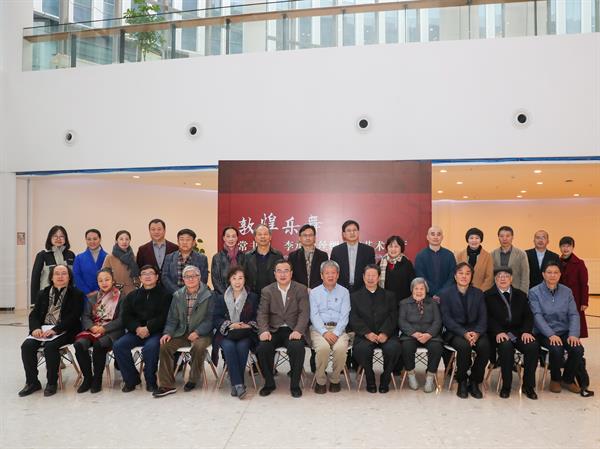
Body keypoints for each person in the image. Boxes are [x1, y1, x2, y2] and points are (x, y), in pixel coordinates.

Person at [19, 265, 84, 397]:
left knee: (50, 346)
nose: (60, 276)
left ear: (69, 277)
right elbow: (34, 314)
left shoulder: (77, 294)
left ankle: (52, 382)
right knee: (27, 346)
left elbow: (74, 316)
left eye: (64, 273)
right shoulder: (43, 293)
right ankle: (32, 382)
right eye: (57, 273)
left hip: (66, 330)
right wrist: (35, 328)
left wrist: (55, 330)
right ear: (51, 277)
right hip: (43, 329)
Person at [153, 265, 214, 397]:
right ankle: (166, 385)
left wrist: (198, 332)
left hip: (203, 333)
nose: (190, 279)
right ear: (183, 279)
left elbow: (210, 319)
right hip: (182, 332)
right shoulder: (178, 295)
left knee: (198, 347)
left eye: (193, 276)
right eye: (187, 276)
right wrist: (167, 333)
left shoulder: (209, 295)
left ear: (199, 277)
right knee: (165, 346)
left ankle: (193, 379)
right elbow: (172, 318)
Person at [113, 265, 172, 393]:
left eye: (151, 273)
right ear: (140, 278)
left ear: (157, 277)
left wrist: (148, 328)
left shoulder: (166, 295)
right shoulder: (132, 295)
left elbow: (164, 316)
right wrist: (137, 328)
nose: (147, 276)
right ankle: (131, 380)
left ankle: (151, 381)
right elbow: (126, 316)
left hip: (156, 332)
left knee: (150, 348)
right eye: (144, 274)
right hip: (136, 332)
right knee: (119, 346)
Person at [256, 259, 310, 398]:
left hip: (293, 329)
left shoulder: (301, 289)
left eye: (286, 271)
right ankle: (269, 383)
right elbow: (262, 314)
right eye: (279, 271)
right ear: (274, 274)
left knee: (297, 347)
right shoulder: (267, 291)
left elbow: (304, 313)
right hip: (273, 330)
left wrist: (298, 330)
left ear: (291, 273)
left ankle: (295, 385)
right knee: (262, 348)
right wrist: (264, 330)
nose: (282, 274)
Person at [529, 261, 584, 394]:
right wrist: (550, 334)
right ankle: (555, 379)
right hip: (543, 332)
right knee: (556, 348)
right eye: (549, 272)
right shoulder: (534, 292)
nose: (552, 275)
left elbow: (573, 314)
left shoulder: (567, 291)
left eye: (556, 272)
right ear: (543, 274)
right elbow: (537, 316)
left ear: (560, 275)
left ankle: (568, 379)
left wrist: (573, 334)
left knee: (577, 349)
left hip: (564, 331)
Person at [484, 267, 539, 400]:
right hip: (498, 333)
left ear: (511, 279)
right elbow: (487, 317)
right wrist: (498, 332)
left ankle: (528, 386)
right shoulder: (487, 295)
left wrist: (526, 331)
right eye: (499, 276)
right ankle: (506, 386)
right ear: (495, 279)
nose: (503, 279)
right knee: (506, 346)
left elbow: (528, 316)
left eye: (506, 276)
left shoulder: (520, 295)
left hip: (518, 332)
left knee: (532, 346)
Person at [440, 262, 489, 399]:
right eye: (460, 273)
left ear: (471, 276)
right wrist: (464, 333)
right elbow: (447, 319)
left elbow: (483, 317)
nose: (464, 276)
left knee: (485, 346)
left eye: (468, 273)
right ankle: (461, 381)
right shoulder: (446, 294)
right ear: (455, 276)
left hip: (476, 331)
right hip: (455, 332)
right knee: (464, 347)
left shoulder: (478, 293)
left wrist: (477, 333)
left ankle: (474, 381)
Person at [349, 264, 401, 393]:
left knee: (393, 348)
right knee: (363, 349)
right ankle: (369, 376)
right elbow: (353, 318)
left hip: (387, 334)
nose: (370, 278)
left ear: (378, 278)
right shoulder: (355, 296)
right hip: (364, 335)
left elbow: (393, 316)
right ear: (363, 277)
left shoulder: (389, 295)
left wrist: (385, 333)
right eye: (368, 275)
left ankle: (386, 377)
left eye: (374, 275)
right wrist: (367, 333)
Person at [73, 268, 123, 393]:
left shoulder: (121, 297)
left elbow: (122, 319)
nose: (104, 283)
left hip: (112, 331)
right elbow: (85, 316)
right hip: (94, 329)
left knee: (99, 344)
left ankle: (97, 379)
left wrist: (104, 328)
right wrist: (91, 327)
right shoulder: (92, 297)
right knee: (79, 345)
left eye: (107, 279)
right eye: (100, 280)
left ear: (113, 280)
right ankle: (87, 378)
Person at [212, 267, 259, 399]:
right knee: (229, 347)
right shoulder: (221, 298)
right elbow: (216, 318)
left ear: (245, 280)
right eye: (234, 278)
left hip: (245, 333)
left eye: (240, 278)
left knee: (242, 346)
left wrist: (247, 325)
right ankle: (239, 384)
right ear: (229, 280)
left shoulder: (252, 297)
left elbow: (257, 316)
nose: (237, 282)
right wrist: (230, 324)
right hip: (227, 333)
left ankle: (236, 385)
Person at [309, 260, 351, 394]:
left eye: (333, 273)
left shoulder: (344, 292)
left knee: (340, 349)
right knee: (323, 348)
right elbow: (314, 315)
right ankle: (320, 381)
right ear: (322, 275)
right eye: (327, 273)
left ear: (338, 275)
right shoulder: (314, 292)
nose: (330, 276)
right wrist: (324, 332)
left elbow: (345, 315)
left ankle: (335, 379)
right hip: (319, 329)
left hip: (339, 329)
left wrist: (336, 332)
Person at [398, 277, 443, 393]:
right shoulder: (404, 303)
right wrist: (414, 333)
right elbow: (402, 321)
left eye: (422, 288)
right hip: (411, 335)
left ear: (426, 290)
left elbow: (438, 321)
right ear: (412, 290)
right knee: (406, 347)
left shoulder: (433, 303)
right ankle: (411, 375)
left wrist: (428, 334)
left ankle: (430, 377)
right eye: (416, 288)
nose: (419, 291)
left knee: (437, 347)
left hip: (430, 335)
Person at [31, 225, 75, 305]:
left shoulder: (71, 255)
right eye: (55, 236)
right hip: (47, 297)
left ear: (65, 238)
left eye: (61, 236)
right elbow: (35, 279)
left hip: (67, 296)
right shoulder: (42, 255)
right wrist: (34, 301)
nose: (58, 239)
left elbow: (73, 277)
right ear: (50, 238)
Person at [330, 220, 375, 293]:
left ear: (358, 232)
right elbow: (333, 271)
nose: (352, 233)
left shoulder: (368, 250)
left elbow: (371, 272)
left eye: (354, 230)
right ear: (344, 234)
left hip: (362, 290)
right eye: (349, 231)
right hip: (341, 290)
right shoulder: (336, 251)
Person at [558, 236, 589, 339]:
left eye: (568, 246)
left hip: (575, 299)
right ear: (560, 247)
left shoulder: (580, 263)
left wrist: (584, 301)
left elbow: (584, 284)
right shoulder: (557, 262)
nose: (566, 248)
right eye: (563, 246)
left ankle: (575, 343)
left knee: (575, 323)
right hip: (560, 298)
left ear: (573, 247)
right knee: (561, 323)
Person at [414, 226, 456, 301]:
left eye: (438, 234)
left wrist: (441, 293)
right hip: (426, 297)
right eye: (433, 234)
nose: (436, 237)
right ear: (427, 237)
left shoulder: (449, 255)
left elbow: (452, 276)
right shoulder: (420, 256)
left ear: (442, 237)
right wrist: (434, 293)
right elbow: (420, 276)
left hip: (446, 296)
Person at [161, 228, 209, 294]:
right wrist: (178, 292)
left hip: (195, 295)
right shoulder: (169, 257)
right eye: (182, 239)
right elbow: (165, 277)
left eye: (188, 240)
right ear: (178, 242)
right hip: (173, 295)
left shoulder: (202, 258)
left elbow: (203, 279)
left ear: (194, 242)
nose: (184, 242)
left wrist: (190, 292)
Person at [244, 224, 283, 295]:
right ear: (255, 238)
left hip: (273, 295)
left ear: (270, 237)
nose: (263, 237)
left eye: (265, 234)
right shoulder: (247, 256)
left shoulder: (278, 255)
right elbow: (244, 277)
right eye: (259, 234)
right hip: (252, 295)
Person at [288, 224, 329, 290]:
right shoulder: (292, 256)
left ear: (314, 238)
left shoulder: (323, 256)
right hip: (298, 291)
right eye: (305, 235)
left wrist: (313, 289)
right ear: (299, 238)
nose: (308, 238)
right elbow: (291, 276)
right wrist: (303, 289)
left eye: (310, 235)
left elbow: (325, 275)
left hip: (318, 291)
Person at [491, 226, 529, 294]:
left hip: (516, 291)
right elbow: (491, 276)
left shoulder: (521, 254)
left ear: (512, 237)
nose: (504, 239)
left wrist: (523, 294)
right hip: (497, 292)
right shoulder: (492, 254)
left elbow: (525, 276)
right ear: (498, 237)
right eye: (501, 236)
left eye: (508, 236)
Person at [379, 235, 415, 303]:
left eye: (396, 246)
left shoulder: (407, 263)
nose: (393, 249)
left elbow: (412, 284)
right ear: (387, 248)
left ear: (401, 248)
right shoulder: (381, 263)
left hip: (402, 303)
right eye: (390, 246)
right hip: (385, 302)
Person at [102, 230, 140, 297]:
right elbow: (104, 275)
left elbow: (139, 276)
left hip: (131, 292)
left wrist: (137, 285)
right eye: (121, 239)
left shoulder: (134, 258)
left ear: (130, 241)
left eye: (127, 239)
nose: (124, 241)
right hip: (114, 292)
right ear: (116, 241)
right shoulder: (109, 258)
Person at [455, 227, 494, 292]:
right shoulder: (460, 255)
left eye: (477, 238)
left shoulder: (488, 256)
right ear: (467, 240)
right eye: (471, 238)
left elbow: (490, 277)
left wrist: (480, 291)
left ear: (481, 240)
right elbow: (456, 274)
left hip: (481, 292)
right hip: (462, 291)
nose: (474, 240)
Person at [73, 228, 107, 299]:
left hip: (103, 295)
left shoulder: (107, 257)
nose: (92, 241)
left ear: (100, 239)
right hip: (84, 296)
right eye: (89, 239)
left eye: (95, 239)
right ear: (86, 240)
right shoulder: (79, 258)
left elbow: (109, 278)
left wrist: (100, 291)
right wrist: (87, 292)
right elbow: (77, 277)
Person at [211, 226, 246, 295]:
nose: (231, 239)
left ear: (237, 238)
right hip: (223, 295)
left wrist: (240, 294)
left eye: (233, 236)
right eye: (228, 236)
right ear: (224, 238)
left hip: (241, 294)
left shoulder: (243, 256)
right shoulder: (217, 257)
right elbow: (215, 280)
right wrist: (227, 295)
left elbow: (246, 276)